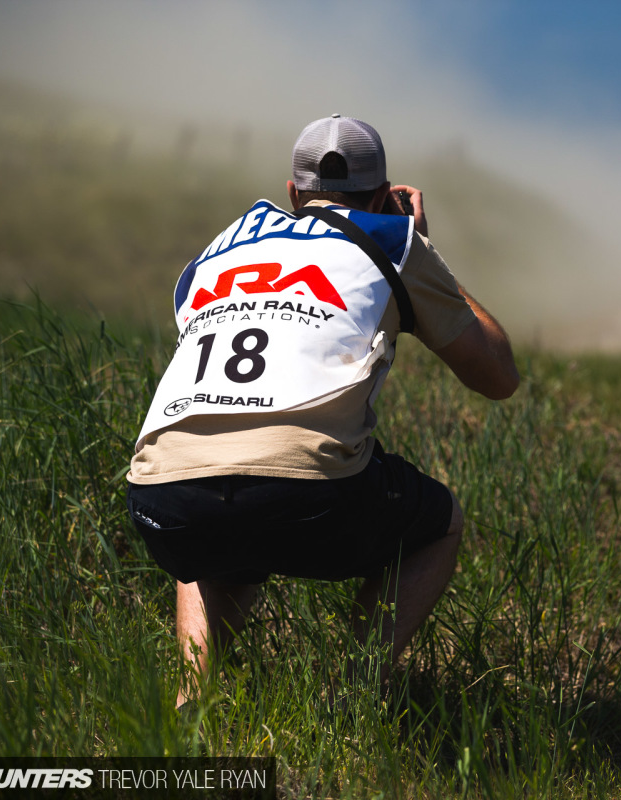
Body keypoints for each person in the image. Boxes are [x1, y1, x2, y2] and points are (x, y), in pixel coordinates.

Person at [125, 114, 519, 708]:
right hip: (308, 492)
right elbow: (498, 376)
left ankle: (189, 700)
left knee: (217, 510)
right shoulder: (392, 240)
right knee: (441, 525)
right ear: (384, 196)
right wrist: (422, 248)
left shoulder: (217, 250)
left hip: (160, 491)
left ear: (292, 194)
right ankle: (348, 698)